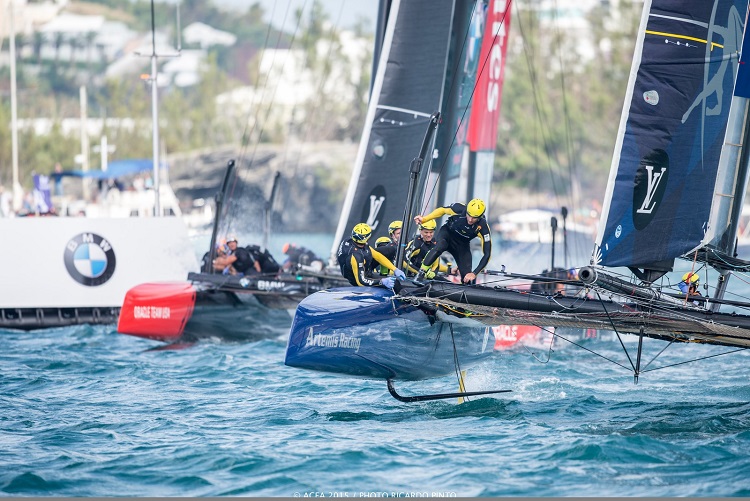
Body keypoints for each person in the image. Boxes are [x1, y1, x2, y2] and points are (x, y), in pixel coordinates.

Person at [413, 199, 491, 284]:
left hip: (461, 245)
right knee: (440, 246)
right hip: (447, 234)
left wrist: (474, 273)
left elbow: (487, 254)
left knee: (467, 277)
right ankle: (421, 274)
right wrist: (424, 219)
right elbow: (442, 210)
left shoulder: (483, 227)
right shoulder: (459, 208)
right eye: (469, 215)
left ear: (480, 216)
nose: (470, 220)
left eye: (474, 217)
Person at [337, 223, 406, 289]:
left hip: (364, 267)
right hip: (358, 278)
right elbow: (360, 282)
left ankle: (383, 274)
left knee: (389, 250)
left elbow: (377, 255)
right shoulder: (356, 257)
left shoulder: (350, 240)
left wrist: (395, 269)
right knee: (395, 283)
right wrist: (381, 282)